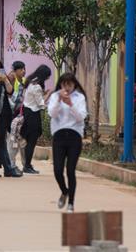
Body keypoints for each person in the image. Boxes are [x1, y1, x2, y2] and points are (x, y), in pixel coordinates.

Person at [48, 73, 87, 212]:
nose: (67, 87)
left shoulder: (79, 98)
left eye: (70, 84)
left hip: (74, 135)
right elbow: (51, 114)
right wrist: (59, 101)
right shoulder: (54, 96)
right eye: (64, 84)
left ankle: (71, 203)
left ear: (74, 85)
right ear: (61, 84)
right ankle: (65, 191)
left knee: (70, 170)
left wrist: (70, 104)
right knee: (58, 170)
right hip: (59, 135)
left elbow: (81, 117)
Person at [19, 65, 51, 175]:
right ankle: (27, 165)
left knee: (29, 141)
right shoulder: (36, 86)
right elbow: (41, 104)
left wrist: (43, 95)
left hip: (28, 112)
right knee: (31, 142)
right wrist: (49, 95)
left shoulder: (30, 82)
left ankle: (27, 164)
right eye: (47, 77)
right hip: (33, 115)